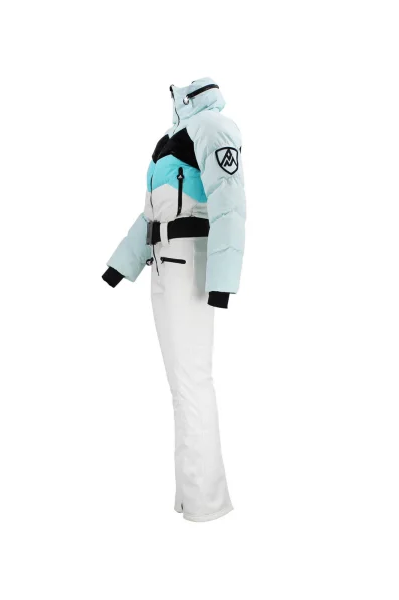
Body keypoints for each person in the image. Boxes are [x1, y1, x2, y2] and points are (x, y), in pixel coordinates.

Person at [102, 78, 246, 522]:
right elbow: (153, 212)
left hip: (189, 265)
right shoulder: (170, 137)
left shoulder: (214, 127)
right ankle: (192, 498)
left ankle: (208, 502)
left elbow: (230, 204)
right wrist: (122, 263)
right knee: (181, 388)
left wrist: (222, 280)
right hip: (164, 262)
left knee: (192, 383)